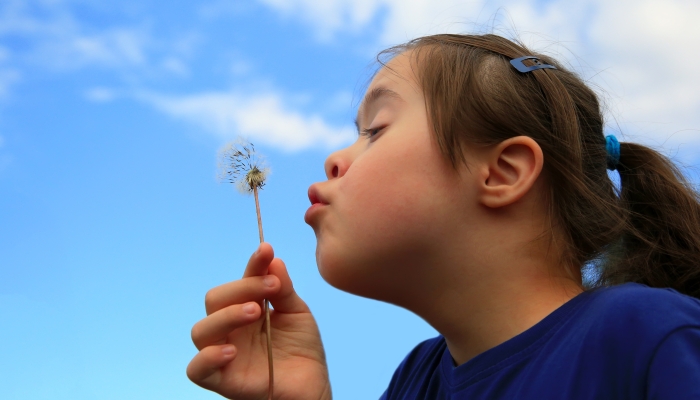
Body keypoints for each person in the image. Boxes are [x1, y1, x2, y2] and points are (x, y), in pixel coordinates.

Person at [185, 34, 700, 399]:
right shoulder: (416, 381)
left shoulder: (646, 336)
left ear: (502, 172)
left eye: (376, 130)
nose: (334, 158)